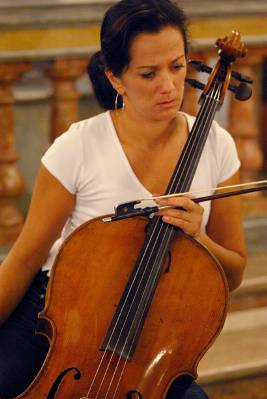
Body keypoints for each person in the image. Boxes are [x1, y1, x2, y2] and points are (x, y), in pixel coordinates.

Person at [0, 0, 246, 398]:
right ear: (116, 78)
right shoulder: (78, 146)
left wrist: (198, 236)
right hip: (60, 316)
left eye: (178, 66)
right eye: (148, 73)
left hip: (150, 333)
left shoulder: (217, 146)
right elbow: (26, 258)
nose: (168, 86)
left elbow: (232, 274)